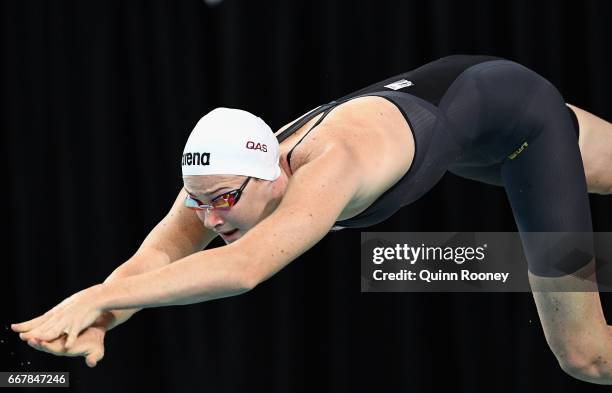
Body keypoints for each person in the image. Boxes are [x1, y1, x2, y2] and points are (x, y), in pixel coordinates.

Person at [11, 55, 612, 383]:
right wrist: (105, 317)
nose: (210, 217)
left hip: (523, 122)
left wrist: (93, 296)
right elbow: (156, 259)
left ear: (274, 172)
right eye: (197, 201)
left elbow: (243, 268)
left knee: (586, 357)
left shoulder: (330, 166)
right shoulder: (218, 181)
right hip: (469, 117)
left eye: (222, 201)